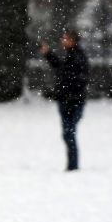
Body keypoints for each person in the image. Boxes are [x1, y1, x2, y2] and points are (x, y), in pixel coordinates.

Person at [40, 30, 90, 171]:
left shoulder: (77, 57)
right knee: (68, 134)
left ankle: (73, 166)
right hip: (68, 101)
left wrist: (59, 93)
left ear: (73, 40)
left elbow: (68, 77)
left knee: (69, 133)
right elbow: (63, 71)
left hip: (73, 102)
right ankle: (72, 165)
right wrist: (48, 54)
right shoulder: (73, 56)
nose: (63, 41)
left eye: (66, 38)